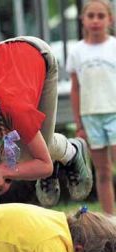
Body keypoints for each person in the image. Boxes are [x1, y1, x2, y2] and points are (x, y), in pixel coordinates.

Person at [0, 36, 93, 208]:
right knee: (16, 155)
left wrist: (2, 170)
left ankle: (73, 151)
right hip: (6, 57)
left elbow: (45, 166)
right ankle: (46, 153)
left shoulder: (16, 112)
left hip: (37, 53)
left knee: (22, 156)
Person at [66, 0, 116, 215]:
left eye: (100, 16)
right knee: (102, 172)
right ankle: (109, 219)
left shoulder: (114, 46)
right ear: (83, 20)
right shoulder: (77, 51)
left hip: (114, 112)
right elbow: (75, 89)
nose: (96, 20)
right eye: (91, 16)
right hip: (90, 116)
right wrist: (79, 123)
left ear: (110, 19)